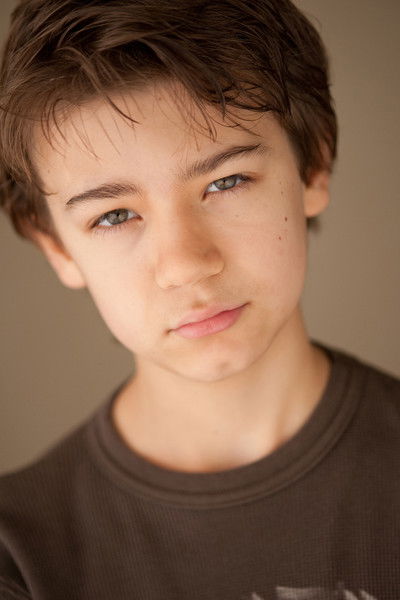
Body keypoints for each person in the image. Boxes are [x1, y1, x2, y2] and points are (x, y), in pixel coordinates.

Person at [0, 0, 398, 598]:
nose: (185, 264)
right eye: (114, 215)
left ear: (313, 165)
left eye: (226, 181)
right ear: (56, 246)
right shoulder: (17, 558)